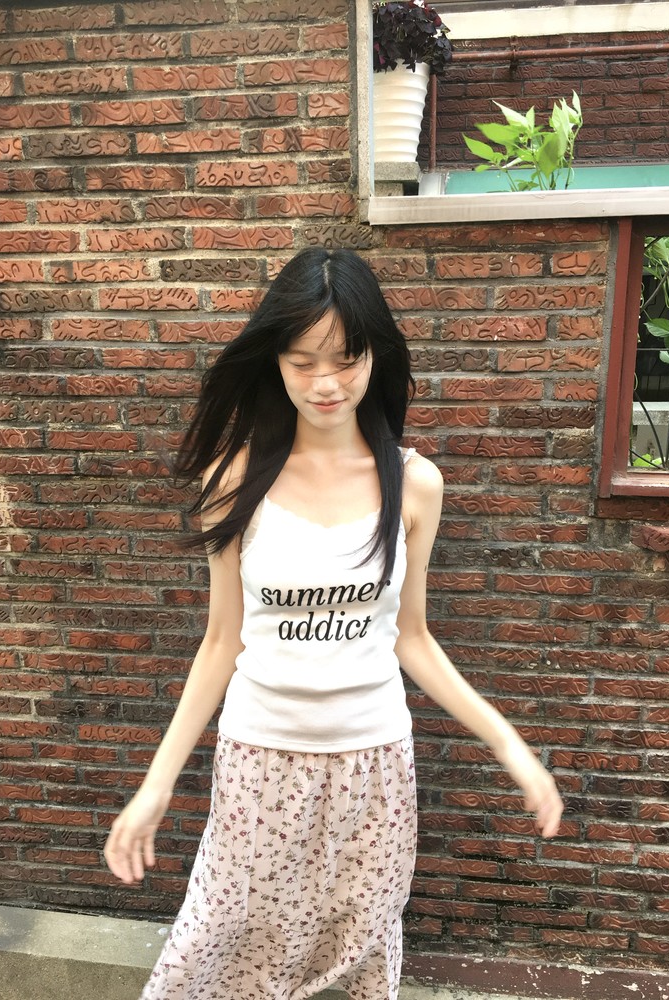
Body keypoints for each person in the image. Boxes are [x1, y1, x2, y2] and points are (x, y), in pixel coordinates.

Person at [104, 247, 563, 1000]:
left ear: (375, 356)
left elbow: (411, 638)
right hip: (259, 762)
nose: (326, 383)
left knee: (359, 949)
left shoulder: (415, 484)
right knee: (221, 942)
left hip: (374, 769)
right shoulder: (233, 479)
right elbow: (222, 642)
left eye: (346, 360)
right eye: (302, 362)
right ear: (275, 363)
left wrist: (508, 744)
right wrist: (156, 786)